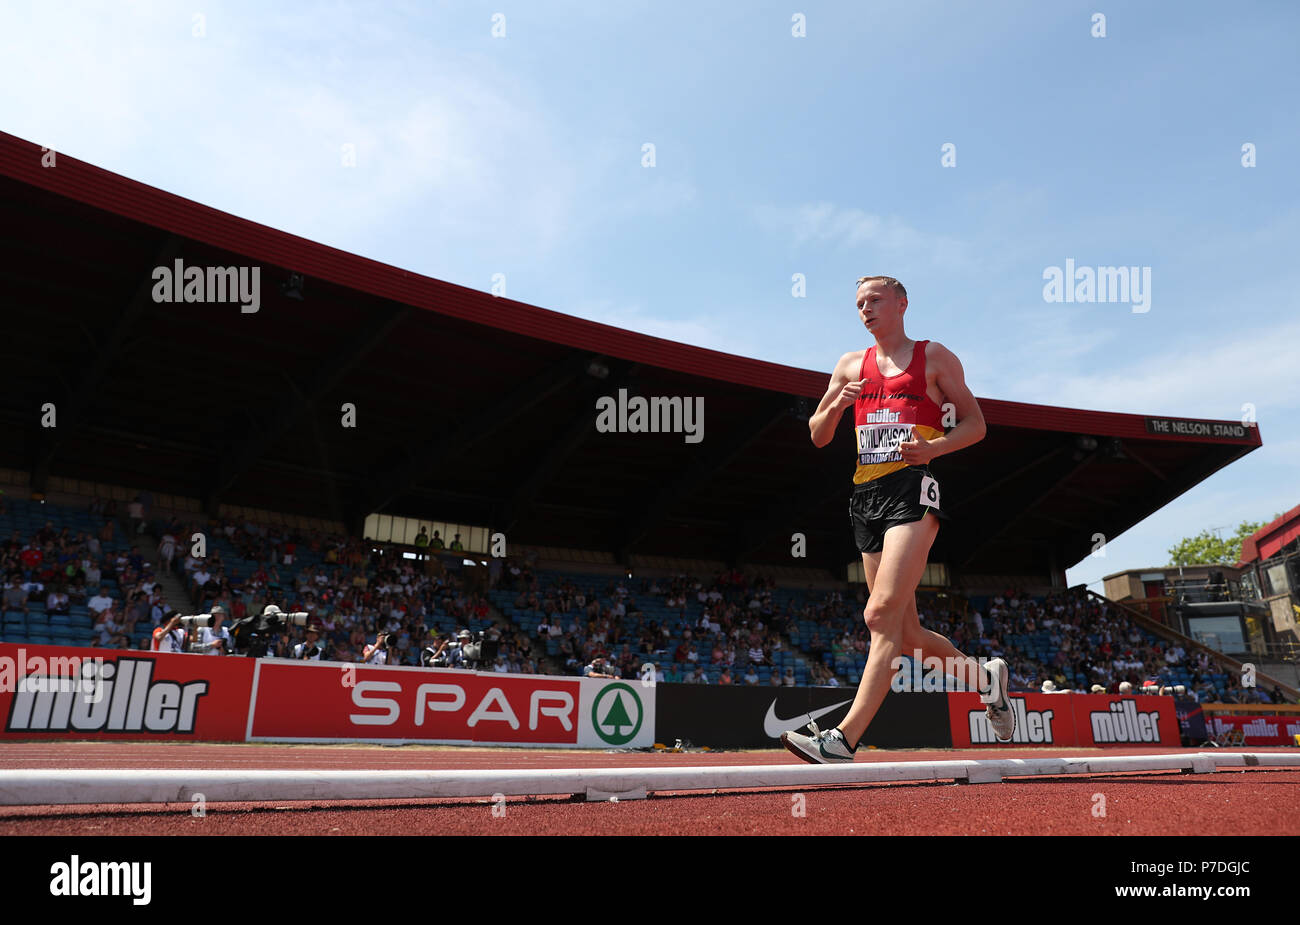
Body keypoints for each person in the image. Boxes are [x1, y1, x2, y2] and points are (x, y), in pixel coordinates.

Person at [782, 276, 1011, 764]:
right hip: (865, 496)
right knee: (906, 635)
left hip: (912, 489)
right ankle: (986, 679)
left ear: (902, 304)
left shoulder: (934, 356)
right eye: (859, 303)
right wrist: (838, 404)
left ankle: (843, 739)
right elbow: (818, 435)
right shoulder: (848, 365)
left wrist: (933, 447)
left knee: (879, 615)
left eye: (875, 300)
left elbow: (975, 423)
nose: (865, 309)